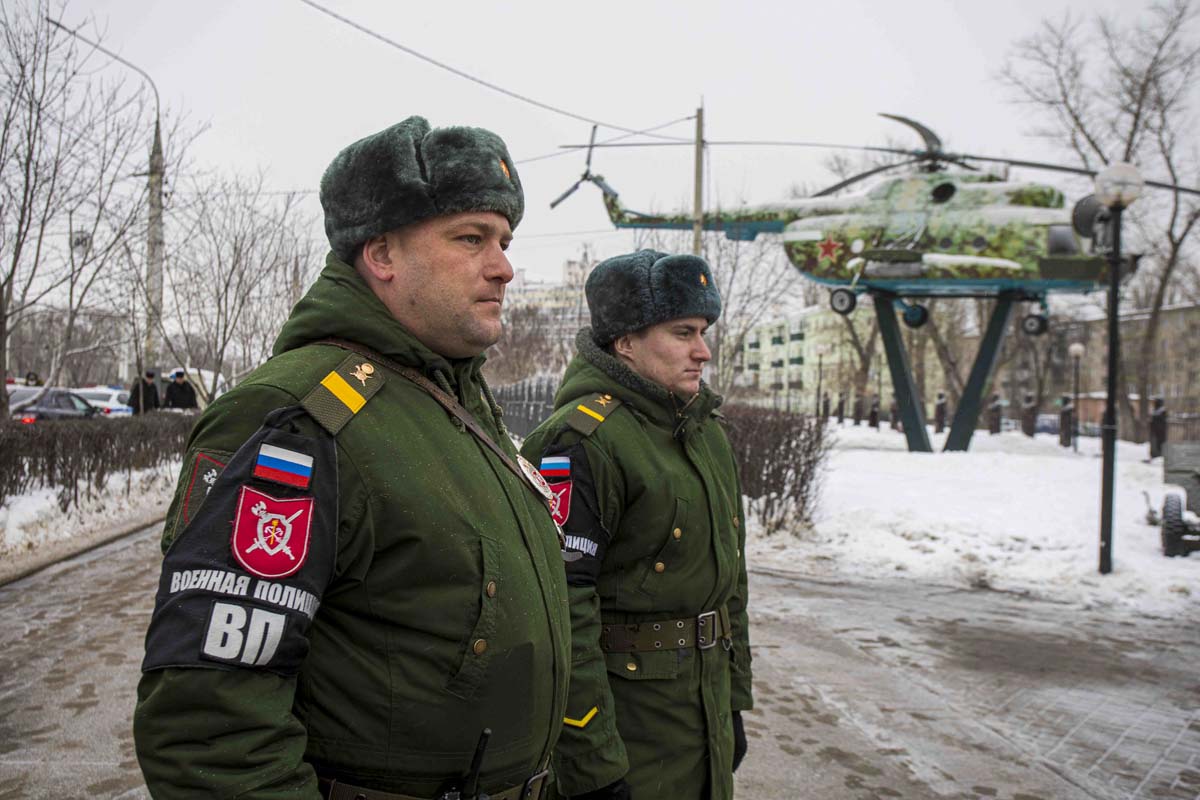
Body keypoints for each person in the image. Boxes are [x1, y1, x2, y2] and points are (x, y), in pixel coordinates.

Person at [134, 117, 569, 800]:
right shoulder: (301, 416)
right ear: (382, 254)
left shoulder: (456, 405)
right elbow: (209, 729)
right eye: (470, 238)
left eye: (505, 241)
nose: (503, 266)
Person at [521, 250, 752, 800]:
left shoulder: (704, 434)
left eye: (703, 331)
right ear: (625, 341)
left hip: (702, 717)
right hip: (628, 730)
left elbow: (730, 582)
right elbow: (560, 617)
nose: (704, 350)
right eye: (683, 333)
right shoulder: (581, 443)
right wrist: (592, 763)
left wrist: (734, 702)